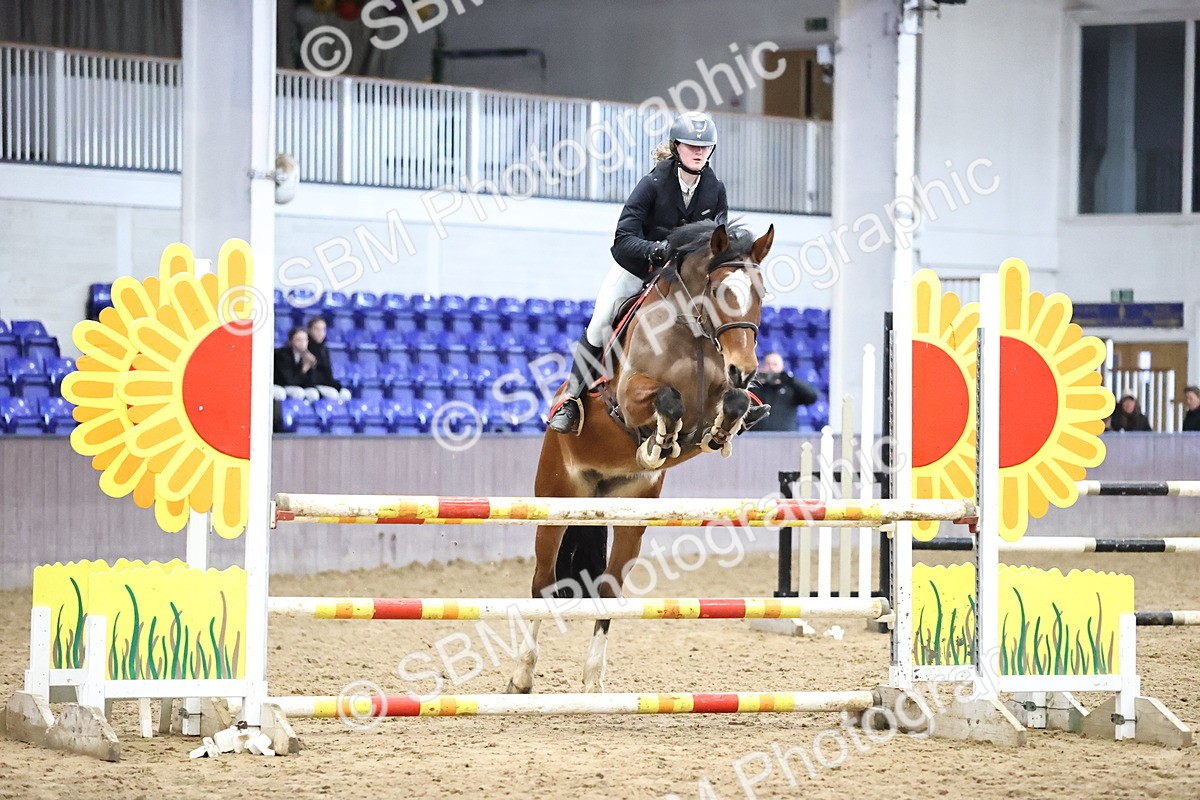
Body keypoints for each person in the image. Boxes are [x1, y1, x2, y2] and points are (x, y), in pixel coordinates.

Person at [548, 111, 767, 435]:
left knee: (725, 311)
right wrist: (654, 250)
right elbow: (623, 239)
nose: (698, 152)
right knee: (601, 321)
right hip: (640, 267)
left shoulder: (714, 188)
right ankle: (571, 400)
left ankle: (737, 393)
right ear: (676, 147)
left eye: (704, 147)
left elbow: (721, 246)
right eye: (691, 146)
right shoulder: (653, 183)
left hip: (686, 278)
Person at [746, 352, 818, 432]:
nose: (771, 368)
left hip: (785, 437)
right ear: (762, 367)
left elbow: (812, 397)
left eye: (775, 364)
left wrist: (790, 380)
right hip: (757, 437)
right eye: (768, 364)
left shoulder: (791, 388)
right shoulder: (754, 388)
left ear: (782, 367)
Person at [305, 317, 352, 401]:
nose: (320, 333)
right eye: (317, 329)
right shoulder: (304, 347)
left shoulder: (324, 349)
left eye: (323, 329)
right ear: (309, 330)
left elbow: (328, 373)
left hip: (324, 384)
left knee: (345, 393)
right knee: (332, 394)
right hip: (310, 384)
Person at [273, 327, 320, 402]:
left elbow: (311, 382)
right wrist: (304, 368)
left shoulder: (307, 355)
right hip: (281, 384)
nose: (302, 343)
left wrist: (313, 366)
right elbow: (289, 381)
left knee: (313, 393)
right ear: (291, 341)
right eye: (298, 340)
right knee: (298, 392)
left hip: (298, 385)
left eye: (305, 340)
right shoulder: (282, 355)